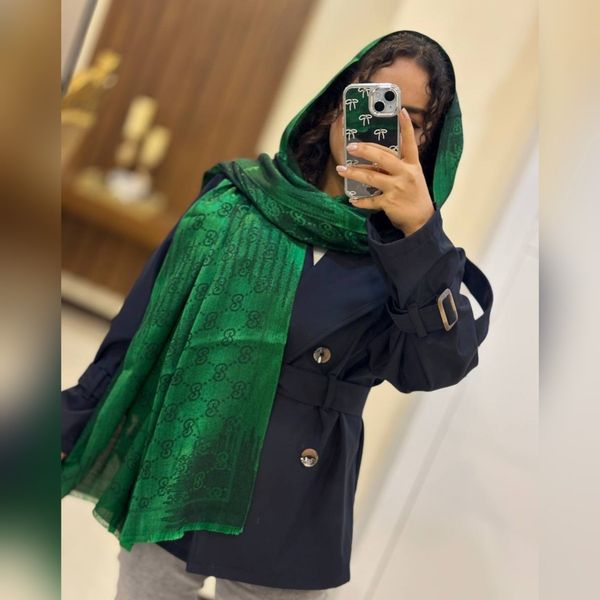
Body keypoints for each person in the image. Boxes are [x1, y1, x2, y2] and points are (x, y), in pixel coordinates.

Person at [61, 30, 493, 599]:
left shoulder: (411, 259)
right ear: (337, 103)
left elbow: (438, 366)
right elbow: (142, 328)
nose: (382, 127)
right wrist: (73, 418)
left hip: (294, 512)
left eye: (410, 119)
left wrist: (419, 235)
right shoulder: (236, 202)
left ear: (429, 139)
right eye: (371, 100)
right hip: (183, 463)